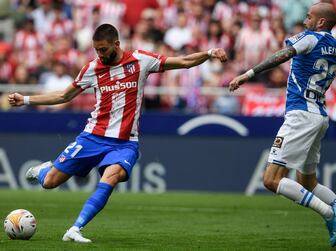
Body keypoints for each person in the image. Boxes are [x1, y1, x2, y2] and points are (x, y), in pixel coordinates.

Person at [8, 23, 228, 243]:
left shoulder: (140, 61)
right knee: (50, 182)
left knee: (111, 176)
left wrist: (209, 53)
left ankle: (75, 229)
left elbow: (184, 61)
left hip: (125, 143)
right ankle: (44, 170)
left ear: (117, 44)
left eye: (103, 49)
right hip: (92, 136)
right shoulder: (92, 69)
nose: (100, 54)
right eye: (97, 50)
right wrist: (26, 100)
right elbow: (64, 97)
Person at [228, 2, 336, 248]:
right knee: (308, 182)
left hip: (300, 114)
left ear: (321, 22)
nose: (305, 19)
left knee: (271, 179)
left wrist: (247, 74)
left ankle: (329, 214)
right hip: (320, 116)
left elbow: (283, 55)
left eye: (309, 17)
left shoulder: (309, 38)